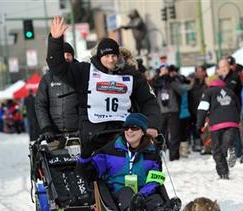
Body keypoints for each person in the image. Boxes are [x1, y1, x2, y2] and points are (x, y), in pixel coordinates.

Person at [47, 17, 160, 170]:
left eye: (114, 56)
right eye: (106, 56)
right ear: (99, 57)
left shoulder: (131, 75)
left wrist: (152, 125)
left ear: (118, 57)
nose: (110, 60)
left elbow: (148, 101)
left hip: (124, 133)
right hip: (93, 134)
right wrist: (55, 40)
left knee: (126, 170)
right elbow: (58, 67)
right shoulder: (85, 71)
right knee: (92, 173)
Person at [79, 113, 181, 211]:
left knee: (154, 198)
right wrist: (85, 155)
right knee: (127, 192)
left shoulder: (152, 153)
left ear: (142, 131)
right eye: (126, 127)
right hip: (118, 194)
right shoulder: (110, 151)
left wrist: (142, 194)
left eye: (134, 128)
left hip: (144, 193)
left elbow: (155, 179)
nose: (129, 131)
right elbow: (87, 173)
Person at [196, 78, 240, 180]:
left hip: (217, 124)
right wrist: (236, 120)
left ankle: (223, 173)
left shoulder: (208, 92)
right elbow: (238, 107)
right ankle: (230, 149)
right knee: (226, 144)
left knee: (217, 150)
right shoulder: (231, 92)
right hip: (232, 123)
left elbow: (202, 108)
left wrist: (199, 125)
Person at [35, 42, 78, 142]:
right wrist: (46, 128)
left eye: (69, 54)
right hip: (54, 135)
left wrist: (84, 127)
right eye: (63, 54)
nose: (66, 57)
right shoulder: (47, 79)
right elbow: (40, 105)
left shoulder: (80, 73)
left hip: (78, 134)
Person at [154, 64, 182, 161]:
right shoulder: (156, 82)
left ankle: (174, 156)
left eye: (166, 70)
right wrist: (158, 79)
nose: (164, 72)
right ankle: (158, 154)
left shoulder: (173, 81)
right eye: (162, 70)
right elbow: (151, 92)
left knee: (174, 134)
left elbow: (181, 91)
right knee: (160, 134)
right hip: (161, 112)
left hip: (173, 111)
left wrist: (172, 80)